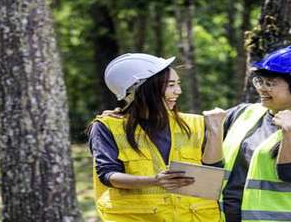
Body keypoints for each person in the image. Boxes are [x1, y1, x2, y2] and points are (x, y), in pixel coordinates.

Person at [207, 46, 291, 222]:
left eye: (270, 83)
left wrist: (290, 132)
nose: (261, 88)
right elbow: (210, 163)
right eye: (259, 81)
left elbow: (290, 174)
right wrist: (213, 129)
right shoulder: (243, 113)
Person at [88, 53, 221, 222]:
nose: (178, 91)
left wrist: (215, 131)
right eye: (170, 85)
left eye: (178, 84)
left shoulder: (195, 123)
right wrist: (153, 181)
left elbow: (214, 169)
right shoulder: (107, 127)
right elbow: (107, 174)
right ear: (143, 88)